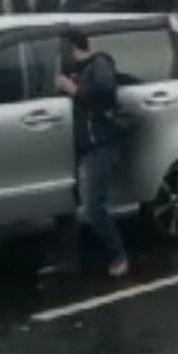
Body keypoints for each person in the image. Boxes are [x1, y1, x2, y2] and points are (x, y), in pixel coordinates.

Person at [56, 28, 129, 277]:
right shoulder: (72, 72)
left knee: (92, 206)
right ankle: (71, 260)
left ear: (72, 46)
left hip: (99, 145)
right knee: (68, 206)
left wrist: (73, 89)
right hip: (78, 147)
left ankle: (118, 253)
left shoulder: (99, 64)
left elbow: (105, 94)